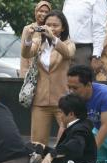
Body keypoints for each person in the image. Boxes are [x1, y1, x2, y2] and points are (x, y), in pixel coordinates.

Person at [22, 10, 75, 146]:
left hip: (63, 100)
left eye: (55, 25)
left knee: (67, 139)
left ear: (63, 27)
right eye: (48, 25)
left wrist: (53, 38)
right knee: (37, 143)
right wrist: (28, 38)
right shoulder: (39, 42)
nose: (51, 28)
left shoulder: (68, 43)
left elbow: (68, 53)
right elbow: (26, 54)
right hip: (40, 100)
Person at [37, 94, 97, 163]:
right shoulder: (79, 125)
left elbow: (75, 146)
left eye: (61, 112)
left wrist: (51, 154)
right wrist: (45, 149)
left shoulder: (80, 129)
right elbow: (66, 150)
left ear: (71, 114)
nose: (60, 116)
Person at [62, 0, 107, 71]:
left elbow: (99, 27)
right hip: (65, 47)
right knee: (63, 80)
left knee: (80, 80)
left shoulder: (98, 1)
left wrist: (96, 56)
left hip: (83, 50)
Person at [19, 1, 52, 78]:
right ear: (35, 12)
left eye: (46, 12)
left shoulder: (51, 29)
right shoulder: (28, 29)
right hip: (30, 72)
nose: (43, 14)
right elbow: (24, 54)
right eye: (41, 11)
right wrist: (23, 74)